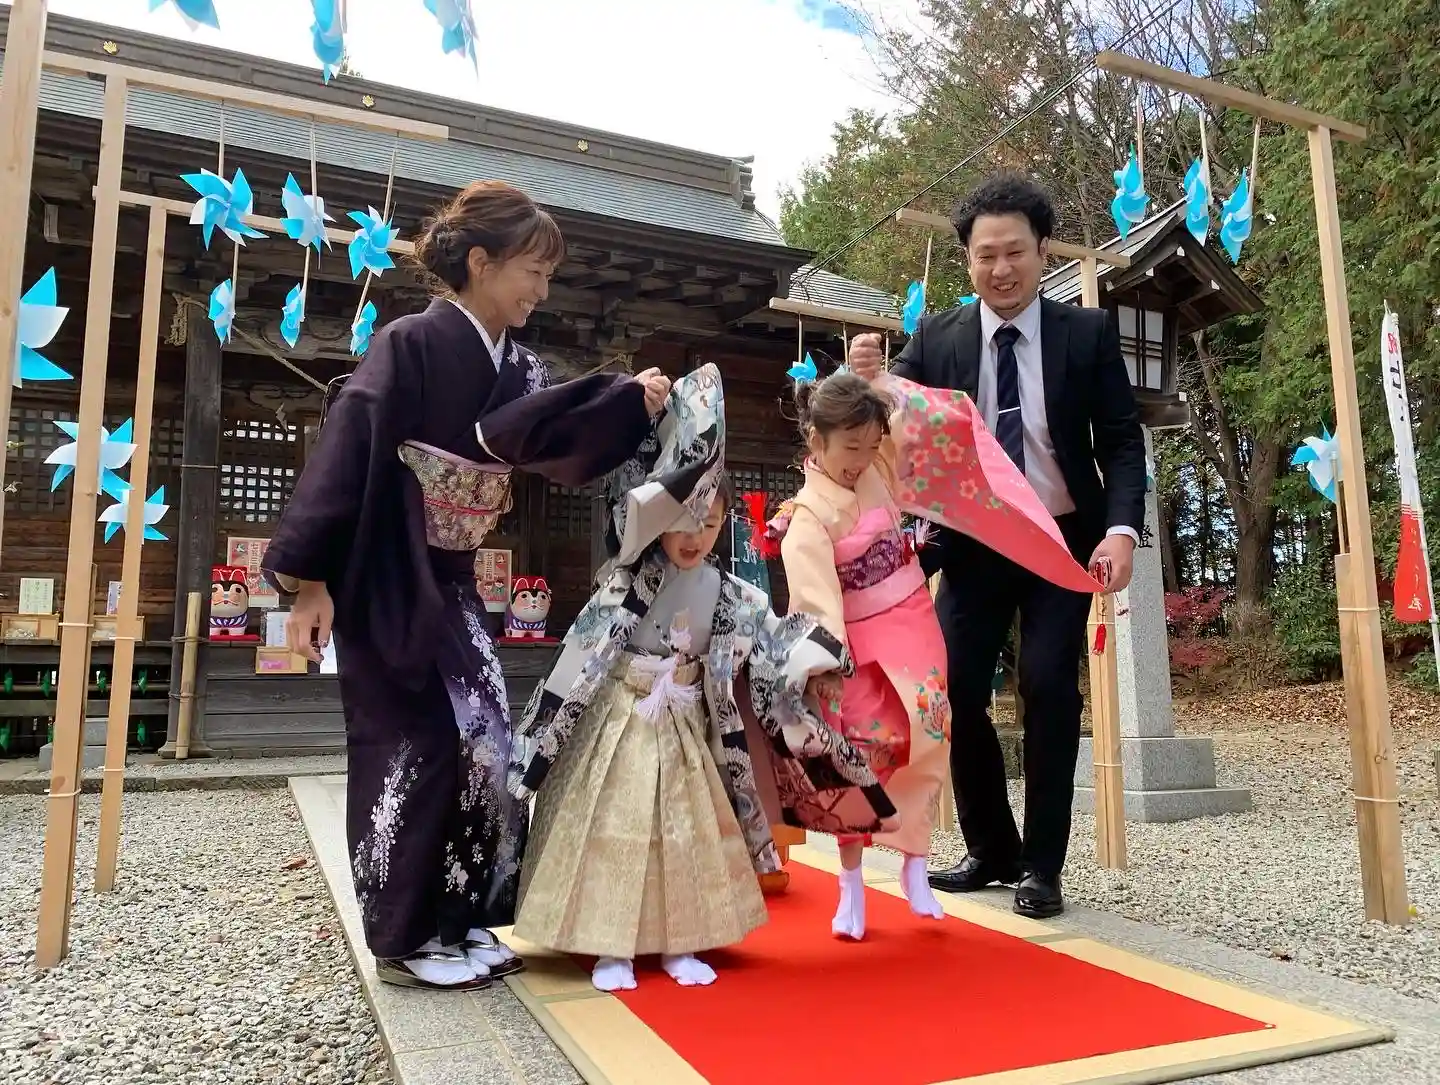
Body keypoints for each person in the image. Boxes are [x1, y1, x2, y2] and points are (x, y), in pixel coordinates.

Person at [261, 180, 671, 990]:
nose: (542, 289)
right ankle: (403, 936)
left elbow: (554, 430)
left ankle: (461, 918)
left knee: (488, 742)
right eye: (533, 270)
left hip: (452, 576)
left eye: (548, 275)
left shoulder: (520, 366)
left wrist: (632, 401)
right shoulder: (410, 343)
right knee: (412, 745)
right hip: (386, 569)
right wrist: (308, 579)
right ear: (480, 262)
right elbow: (346, 452)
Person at [510, 364, 900, 988]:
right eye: (684, 523)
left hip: (687, 723)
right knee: (615, 828)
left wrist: (817, 668)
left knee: (684, 834)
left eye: (711, 525)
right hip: (622, 716)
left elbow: (776, 638)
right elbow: (585, 647)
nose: (696, 538)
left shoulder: (729, 592)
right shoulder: (627, 577)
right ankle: (610, 945)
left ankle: (680, 942)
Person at [848, 172, 1146, 918]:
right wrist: (866, 383)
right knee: (951, 689)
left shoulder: (1086, 334)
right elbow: (887, 414)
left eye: (1015, 251)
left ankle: (1042, 865)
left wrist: (1120, 530)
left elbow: (1120, 440)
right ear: (968, 260)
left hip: (1059, 542)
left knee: (1047, 684)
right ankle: (991, 848)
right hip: (974, 542)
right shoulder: (938, 338)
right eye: (986, 255)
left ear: (1043, 251)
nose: (1001, 269)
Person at [766, 371, 950, 941]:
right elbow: (815, 599)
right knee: (862, 750)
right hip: (856, 640)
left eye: (871, 446)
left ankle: (915, 859)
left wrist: (875, 377)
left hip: (912, 618)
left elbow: (912, 429)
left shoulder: (877, 468)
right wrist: (825, 665)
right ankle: (851, 878)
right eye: (851, 447)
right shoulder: (805, 516)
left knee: (927, 732)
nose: (862, 459)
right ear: (815, 441)